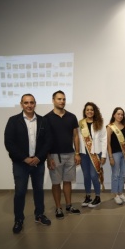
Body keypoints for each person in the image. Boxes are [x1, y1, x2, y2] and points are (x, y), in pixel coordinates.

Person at [4, 94, 52, 233]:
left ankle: (39, 215)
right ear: (21, 104)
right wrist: (24, 158)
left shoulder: (43, 121)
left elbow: (48, 141)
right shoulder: (13, 121)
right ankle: (19, 219)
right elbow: (9, 143)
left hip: (38, 162)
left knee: (39, 190)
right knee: (20, 192)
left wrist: (39, 157)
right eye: (26, 103)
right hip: (20, 163)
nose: (29, 105)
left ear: (35, 104)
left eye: (31, 102)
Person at [45, 90, 81, 219]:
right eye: (59, 99)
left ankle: (69, 205)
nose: (62, 101)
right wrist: (48, 157)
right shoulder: (47, 118)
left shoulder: (71, 117)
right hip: (54, 155)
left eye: (64, 99)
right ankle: (58, 208)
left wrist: (77, 153)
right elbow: (45, 139)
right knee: (56, 183)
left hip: (70, 154)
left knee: (67, 181)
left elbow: (76, 136)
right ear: (53, 100)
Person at [79, 102, 107, 208]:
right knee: (86, 176)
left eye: (91, 109)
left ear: (94, 111)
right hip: (83, 154)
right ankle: (88, 196)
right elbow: (77, 138)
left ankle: (98, 197)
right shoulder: (81, 123)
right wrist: (76, 153)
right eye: (87, 110)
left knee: (94, 176)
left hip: (96, 153)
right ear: (85, 111)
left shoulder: (99, 123)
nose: (89, 111)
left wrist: (104, 155)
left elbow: (104, 139)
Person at [107, 107, 125, 205]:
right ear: (114, 115)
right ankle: (115, 194)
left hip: (124, 154)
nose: (120, 116)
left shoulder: (124, 126)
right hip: (115, 154)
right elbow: (108, 143)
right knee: (115, 175)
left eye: (122, 114)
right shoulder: (110, 127)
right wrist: (110, 157)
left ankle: (121, 193)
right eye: (118, 114)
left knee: (123, 174)